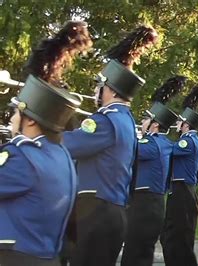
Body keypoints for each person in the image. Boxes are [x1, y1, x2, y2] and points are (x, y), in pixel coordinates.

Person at [63, 26, 157, 266]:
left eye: (100, 85)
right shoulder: (125, 120)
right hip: (111, 212)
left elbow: (67, 145)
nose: (96, 90)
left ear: (111, 89)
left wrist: (47, 118)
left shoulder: (104, 121)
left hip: (95, 213)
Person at [0, 74, 81, 266]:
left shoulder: (21, 157)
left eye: (16, 112)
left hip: (14, 257)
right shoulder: (62, 155)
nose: (12, 119)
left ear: (30, 121)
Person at [121, 76, 186, 266]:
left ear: (155, 125)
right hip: (152, 204)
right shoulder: (164, 143)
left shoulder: (152, 143)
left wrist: (128, 132)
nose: (142, 121)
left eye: (146, 119)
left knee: (134, 254)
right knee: (141, 253)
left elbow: (127, 150)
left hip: (144, 204)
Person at [160, 84, 198, 266]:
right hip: (178, 190)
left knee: (180, 238)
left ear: (186, 124)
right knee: (170, 236)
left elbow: (170, 150)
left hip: (183, 192)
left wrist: (156, 138)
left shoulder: (189, 141)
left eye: (179, 121)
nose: (177, 124)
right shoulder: (186, 139)